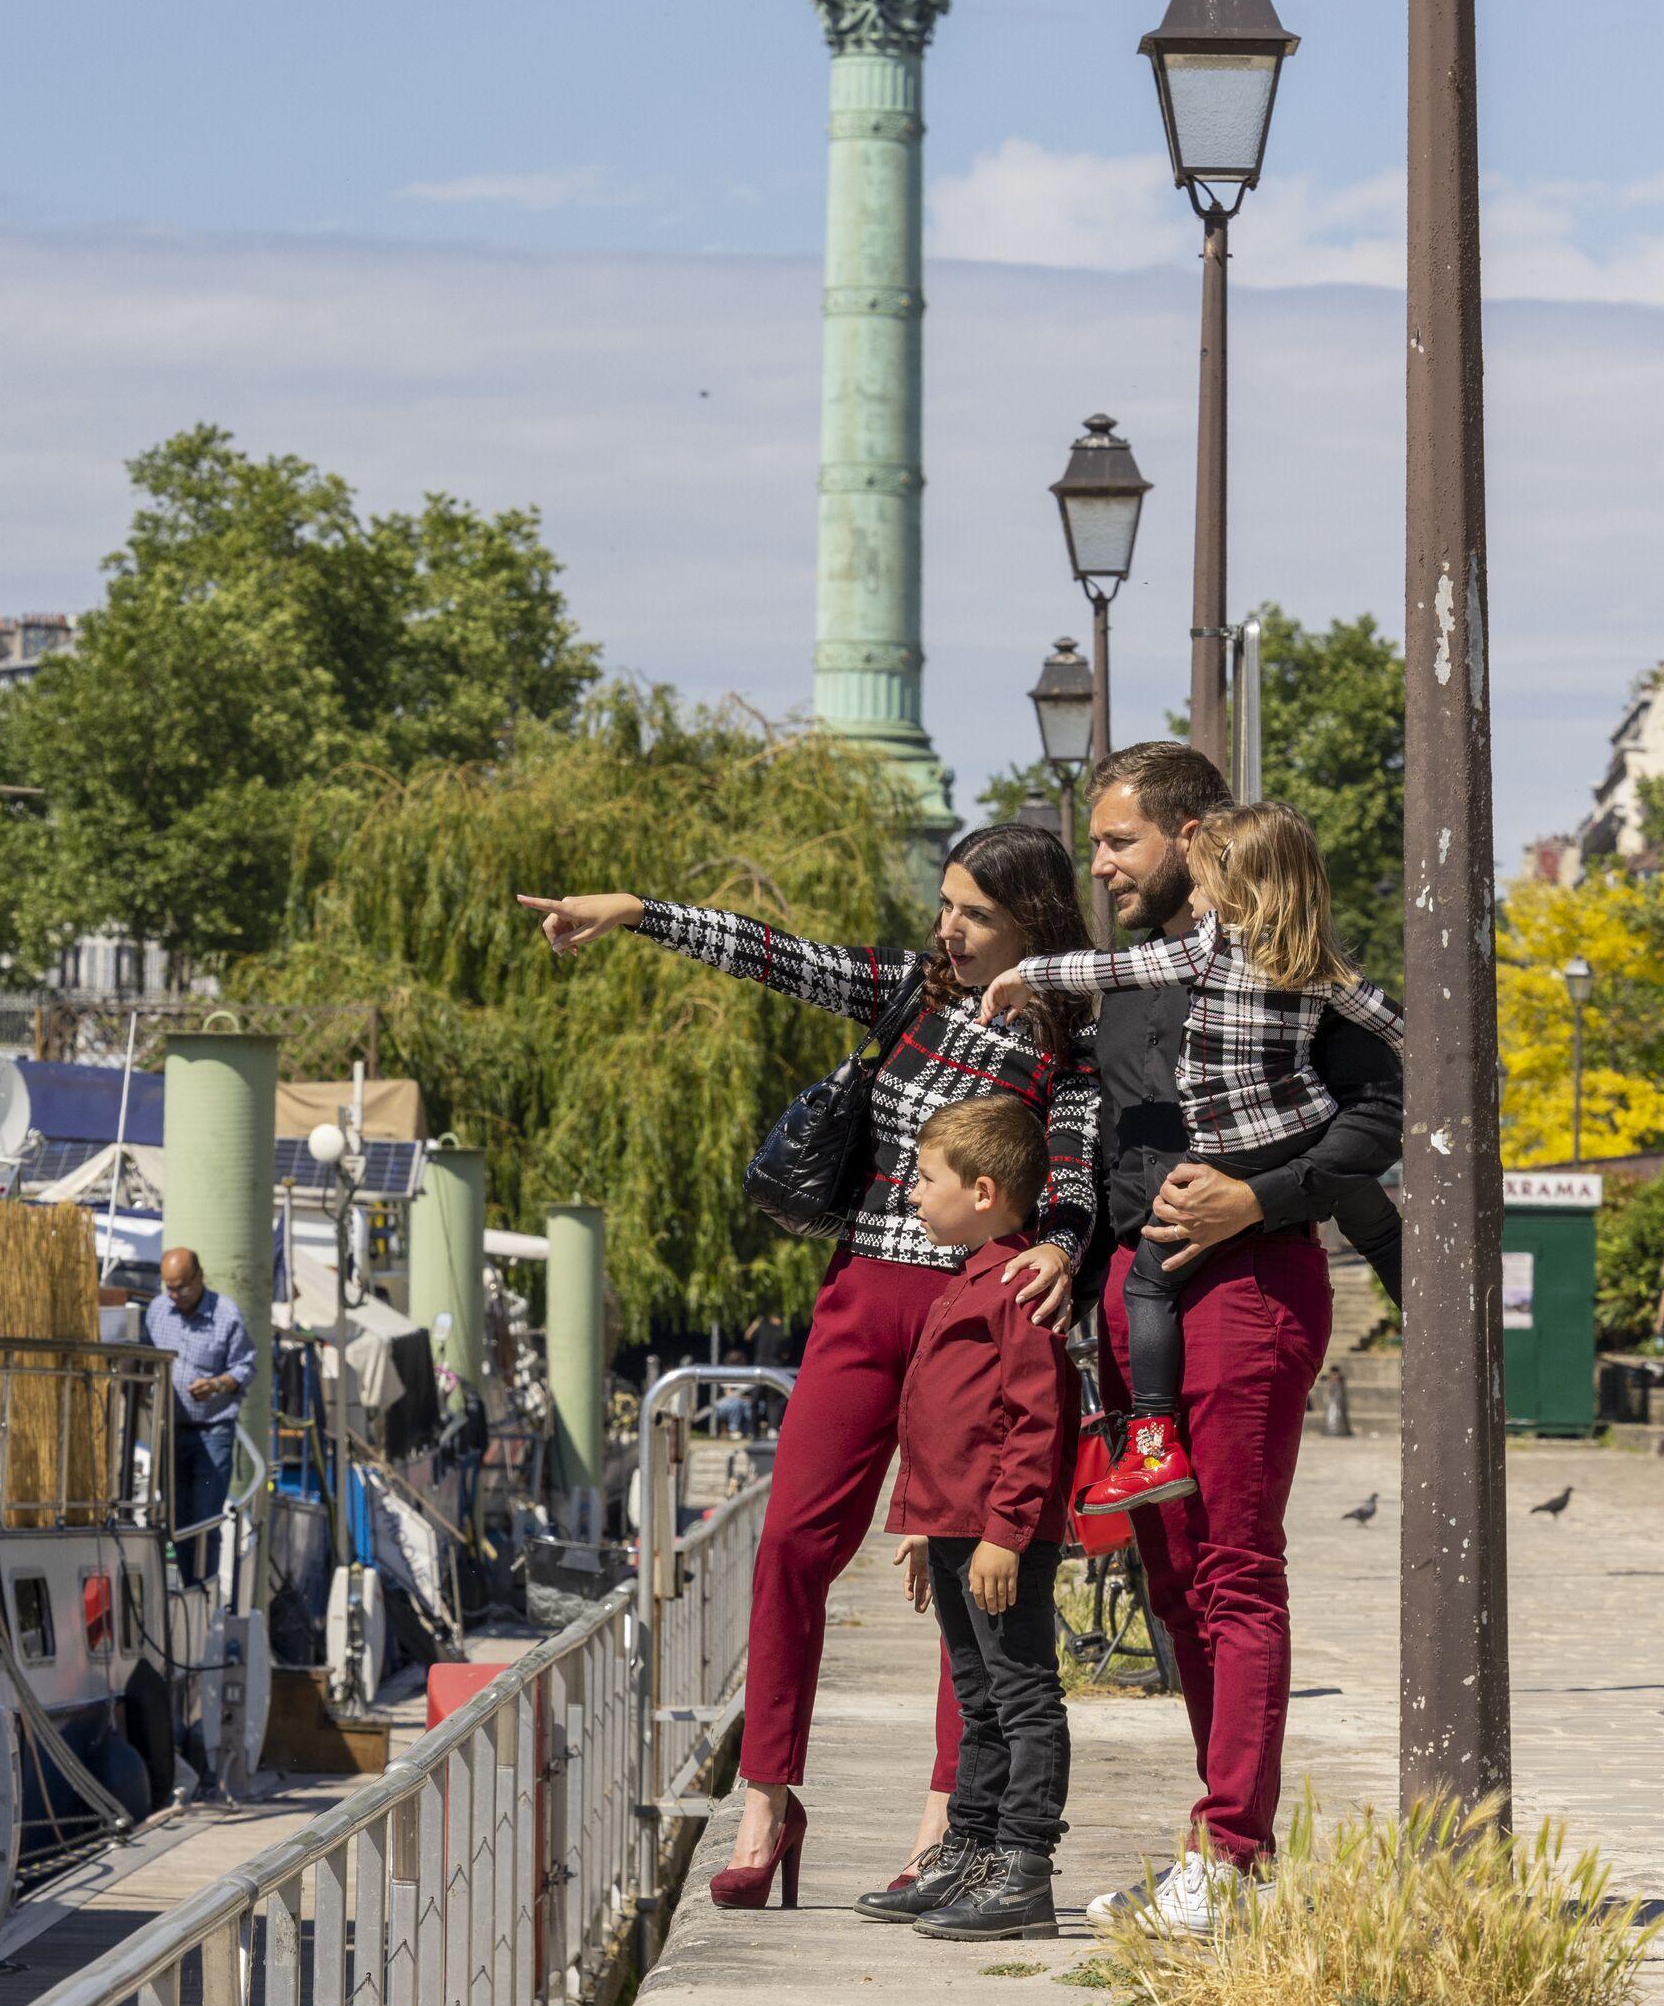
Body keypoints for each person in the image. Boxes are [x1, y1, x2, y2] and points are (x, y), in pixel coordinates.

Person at [519, 820, 1100, 1909]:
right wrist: (636, 912)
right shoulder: (908, 989)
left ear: (1035, 920)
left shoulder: (1071, 1032)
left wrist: (1061, 1248)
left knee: (969, 1566)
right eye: (946, 903)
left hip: (974, 1313)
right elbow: (772, 954)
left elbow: (1073, 1170)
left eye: (976, 912)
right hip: (861, 1299)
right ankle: (768, 1796)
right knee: (790, 1539)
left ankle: (947, 1819)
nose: (951, 927)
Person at [1069, 742, 1401, 1934]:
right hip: (1134, 1290)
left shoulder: (1283, 958)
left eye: (1119, 841)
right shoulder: (1123, 979)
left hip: (1248, 1284)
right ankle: (1224, 1856)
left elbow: (1380, 1109)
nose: (1101, 861)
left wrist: (1259, 1198)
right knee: (1169, 1579)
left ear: (1193, 836)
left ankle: (1232, 1850)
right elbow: (1087, 1135)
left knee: (1234, 1567)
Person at [987, 799, 1399, 1515]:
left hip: (1222, 1147)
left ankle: (1153, 1440)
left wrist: (1032, 972)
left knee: (1151, 1282)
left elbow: (1111, 966)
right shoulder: (1317, 963)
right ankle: (1426, 1296)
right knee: (1362, 1201)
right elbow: (1394, 1021)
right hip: (1299, 1123)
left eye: (1205, 884)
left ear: (1234, 889)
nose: (1196, 897)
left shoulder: (1205, 948)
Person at [859, 1096, 1075, 1940]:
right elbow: (946, 1417)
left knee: (1021, 1693)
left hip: (997, 1538)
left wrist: (1004, 1532)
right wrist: (923, 1519)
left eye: (926, 1177)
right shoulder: (968, 1278)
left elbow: (1034, 1420)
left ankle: (1023, 1868)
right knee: (977, 1694)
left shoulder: (1018, 1283)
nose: (912, 1193)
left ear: (983, 1190)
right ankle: (972, 1847)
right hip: (955, 1527)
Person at [144, 1249, 255, 1584]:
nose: (175, 1296)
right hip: (171, 1432)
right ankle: (186, 1583)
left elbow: (247, 1365)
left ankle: (203, 1587)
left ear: (199, 1277)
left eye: (182, 1288)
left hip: (212, 1433)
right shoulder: (158, 1310)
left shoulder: (226, 1315)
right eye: (169, 1287)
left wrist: (218, 1384)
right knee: (176, 1516)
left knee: (205, 1513)